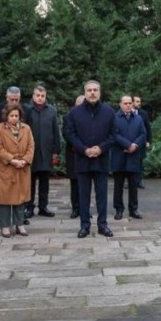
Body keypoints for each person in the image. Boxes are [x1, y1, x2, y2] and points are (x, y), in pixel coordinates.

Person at [65, 80, 117, 238]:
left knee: (102, 195)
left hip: (101, 161)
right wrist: (84, 149)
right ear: (85, 92)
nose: (92, 93)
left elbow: (114, 134)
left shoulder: (109, 112)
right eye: (89, 90)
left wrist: (101, 148)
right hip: (82, 160)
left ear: (100, 92)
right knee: (83, 195)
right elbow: (69, 133)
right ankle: (84, 225)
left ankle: (103, 225)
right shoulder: (75, 113)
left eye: (95, 90)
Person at [0, 104, 34, 238]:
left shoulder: (26, 128)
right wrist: (12, 160)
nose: (14, 118)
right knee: (4, 199)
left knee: (20, 199)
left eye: (16, 116)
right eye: (11, 116)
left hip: (22, 168)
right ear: (6, 116)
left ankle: (19, 224)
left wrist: (25, 160)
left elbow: (31, 146)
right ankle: (5, 226)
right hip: (5, 169)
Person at [23, 85, 60, 219]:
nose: (40, 98)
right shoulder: (27, 109)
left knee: (45, 181)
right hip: (30, 151)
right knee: (30, 181)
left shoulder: (51, 111)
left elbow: (55, 131)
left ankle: (43, 207)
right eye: (37, 95)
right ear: (33, 96)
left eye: (42, 96)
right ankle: (29, 207)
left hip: (46, 150)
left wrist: (56, 150)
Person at [111, 95, 147, 220]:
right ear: (120, 104)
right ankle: (118, 209)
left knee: (133, 185)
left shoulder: (138, 119)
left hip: (134, 156)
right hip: (119, 155)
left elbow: (143, 134)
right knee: (118, 186)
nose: (128, 105)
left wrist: (135, 145)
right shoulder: (114, 118)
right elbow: (114, 135)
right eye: (125, 103)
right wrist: (127, 144)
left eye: (130, 103)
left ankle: (133, 209)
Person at [62, 94, 85, 219]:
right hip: (73, 153)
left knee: (85, 183)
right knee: (74, 183)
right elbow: (66, 133)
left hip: (86, 154)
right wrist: (79, 145)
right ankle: (75, 208)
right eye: (79, 103)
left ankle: (84, 208)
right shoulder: (68, 116)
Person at [132, 95, 152, 189]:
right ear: (132, 102)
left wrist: (148, 140)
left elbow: (148, 128)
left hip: (141, 142)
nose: (139, 103)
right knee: (130, 162)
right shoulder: (127, 113)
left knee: (139, 162)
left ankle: (139, 181)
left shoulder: (144, 113)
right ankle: (130, 182)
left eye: (139, 101)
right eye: (137, 101)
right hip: (130, 142)